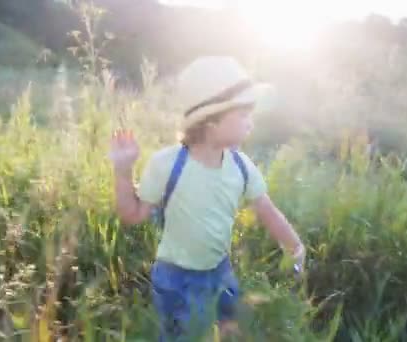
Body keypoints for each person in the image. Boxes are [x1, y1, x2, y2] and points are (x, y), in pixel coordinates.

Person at [109, 56, 305, 341]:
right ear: (211, 121)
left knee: (229, 328)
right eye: (243, 115)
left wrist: (295, 246)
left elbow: (267, 210)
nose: (251, 124)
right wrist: (123, 170)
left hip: (220, 270)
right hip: (177, 279)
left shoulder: (241, 166)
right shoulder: (166, 164)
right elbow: (133, 215)